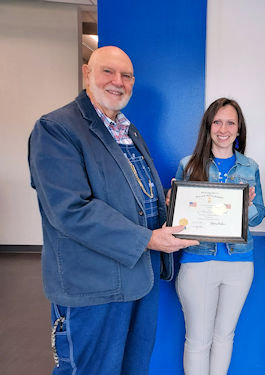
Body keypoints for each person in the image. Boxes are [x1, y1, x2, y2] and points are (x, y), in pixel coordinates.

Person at [28, 46, 198, 375]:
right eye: (108, 71)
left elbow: (129, 192)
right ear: (86, 73)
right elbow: (71, 210)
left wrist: (163, 201)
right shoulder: (56, 129)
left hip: (137, 280)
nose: (118, 81)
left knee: (132, 369)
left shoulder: (126, 130)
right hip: (92, 287)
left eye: (127, 75)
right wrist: (148, 239)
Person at [173, 98, 265, 375]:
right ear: (208, 126)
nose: (223, 128)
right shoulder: (188, 165)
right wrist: (173, 206)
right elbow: (178, 219)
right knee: (198, 340)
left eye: (230, 122)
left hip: (240, 263)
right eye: (217, 121)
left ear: (239, 129)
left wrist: (244, 209)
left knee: (225, 336)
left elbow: (260, 214)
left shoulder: (250, 167)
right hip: (198, 261)